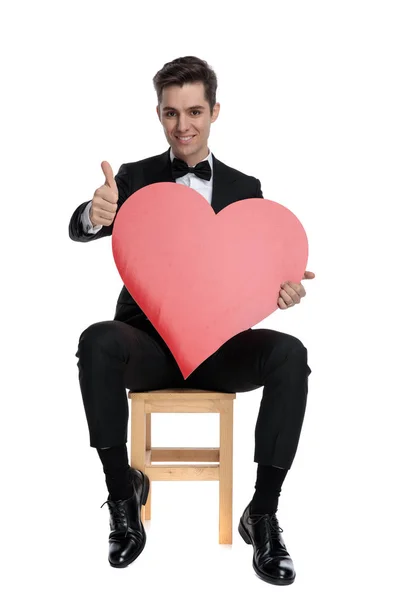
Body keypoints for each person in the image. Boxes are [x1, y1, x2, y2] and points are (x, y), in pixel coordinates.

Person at [69, 55, 314, 585]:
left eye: (195, 111)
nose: (184, 125)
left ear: (215, 111)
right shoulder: (133, 179)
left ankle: (264, 513)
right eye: (172, 113)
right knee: (96, 341)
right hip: (149, 348)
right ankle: (122, 497)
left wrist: (281, 289)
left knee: (290, 353)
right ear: (158, 114)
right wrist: (97, 214)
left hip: (219, 349)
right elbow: (79, 227)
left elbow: (260, 270)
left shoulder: (246, 188)